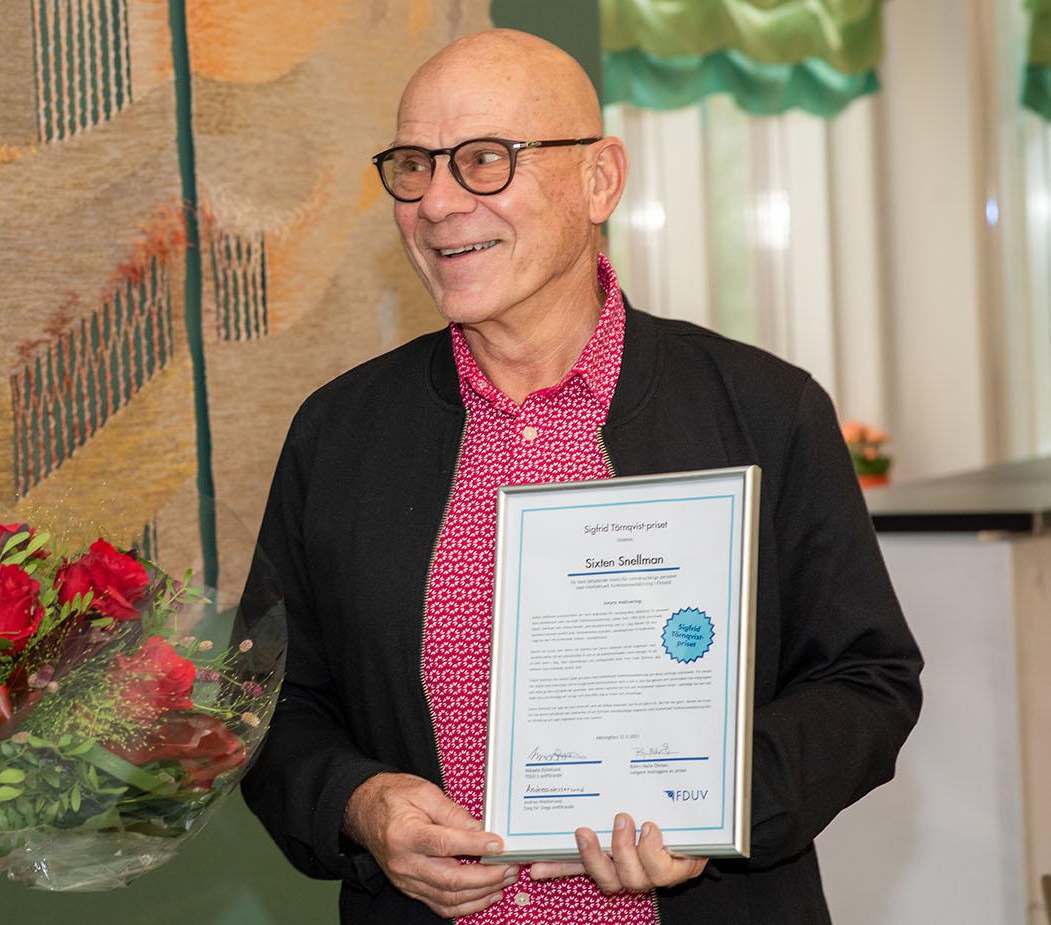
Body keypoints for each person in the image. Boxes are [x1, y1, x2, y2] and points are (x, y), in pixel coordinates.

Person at [240, 30, 923, 924]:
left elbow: (867, 677)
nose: (437, 202)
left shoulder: (763, 411)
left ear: (599, 179)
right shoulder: (339, 434)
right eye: (413, 164)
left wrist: (719, 805)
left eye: (484, 160)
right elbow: (266, 703)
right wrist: (359, 805)